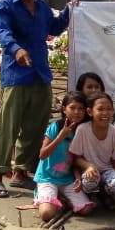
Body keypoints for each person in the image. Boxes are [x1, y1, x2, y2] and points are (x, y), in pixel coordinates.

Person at [0, 0, 75, 197]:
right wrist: (17, 50)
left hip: (40, 74)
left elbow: (55, 28)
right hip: (16, 75)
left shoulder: (42, 6)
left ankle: (21, 173)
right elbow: (3, 33)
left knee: (35, 127)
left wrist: (70, 10)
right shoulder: (5, 6)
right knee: (8, 126)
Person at [33, 92, 96, 221]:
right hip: (47, 177)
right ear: (64, 109)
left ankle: (61, 198)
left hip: (68, 178)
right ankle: (43, 195)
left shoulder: (83, 131)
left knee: (86, 210)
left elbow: (76, 159)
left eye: (81, 109)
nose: (77, 112)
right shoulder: (55, 127)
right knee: (46, 214)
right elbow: (42, 155)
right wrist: (60, 136)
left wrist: (78, 177)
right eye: (72, 108)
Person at [71, 92, 115, 210]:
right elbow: (75, 158)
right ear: (90, 112)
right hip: (90, 171)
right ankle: (92, 194)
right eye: (100, 109)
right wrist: (88, 166)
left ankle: (105, 194)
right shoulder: (82, 129)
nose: (105, 113)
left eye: (109, 109)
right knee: (90, 181)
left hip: (106, 170)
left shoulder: (114, 132)